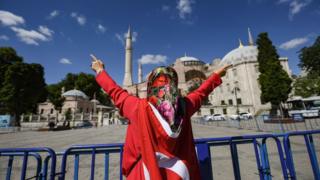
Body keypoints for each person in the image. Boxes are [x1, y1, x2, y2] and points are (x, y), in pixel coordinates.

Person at [91, 55, 230, 180]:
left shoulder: (137, 107)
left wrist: (100, 71)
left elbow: (116, 92)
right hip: (180, 172)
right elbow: (201, 93)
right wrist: (216, 76)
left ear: (151, 85)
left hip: (143, 173)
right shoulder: (185, 106)